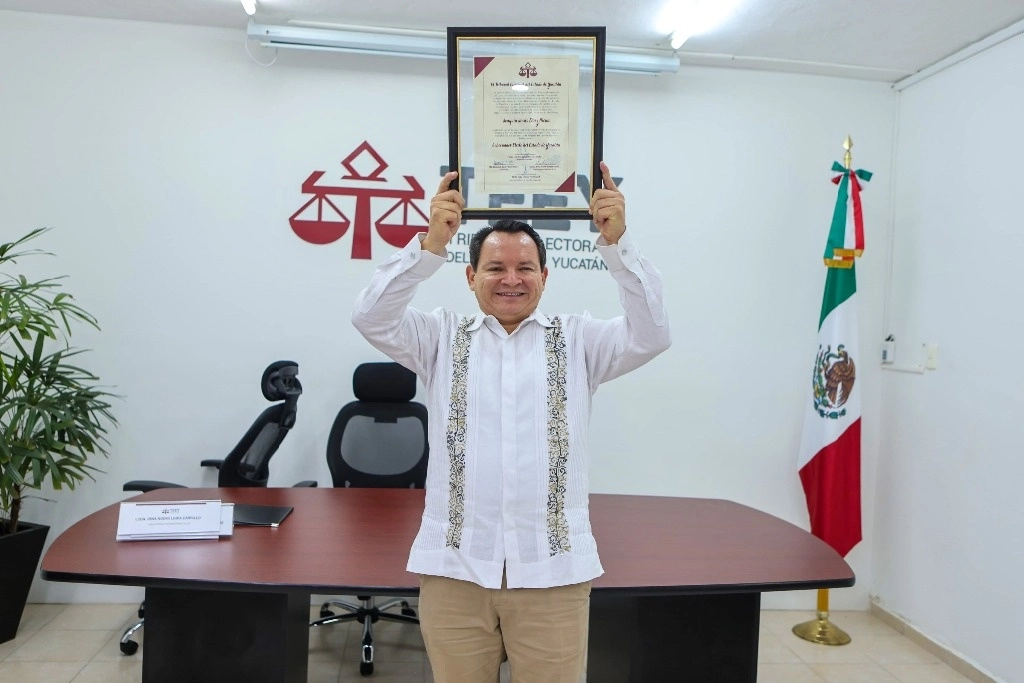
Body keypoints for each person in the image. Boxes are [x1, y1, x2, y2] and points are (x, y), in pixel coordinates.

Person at [351, 161, 670, 682]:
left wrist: (619, 248)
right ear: (471, 275)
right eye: (496, 268)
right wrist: (429, 246)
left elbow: (652, 335)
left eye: (525, 268)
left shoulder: (578, 340)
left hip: (552, 574)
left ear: (545, 276)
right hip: (455, 570)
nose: (511, 280)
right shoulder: (439, 338)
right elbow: (370, 316)